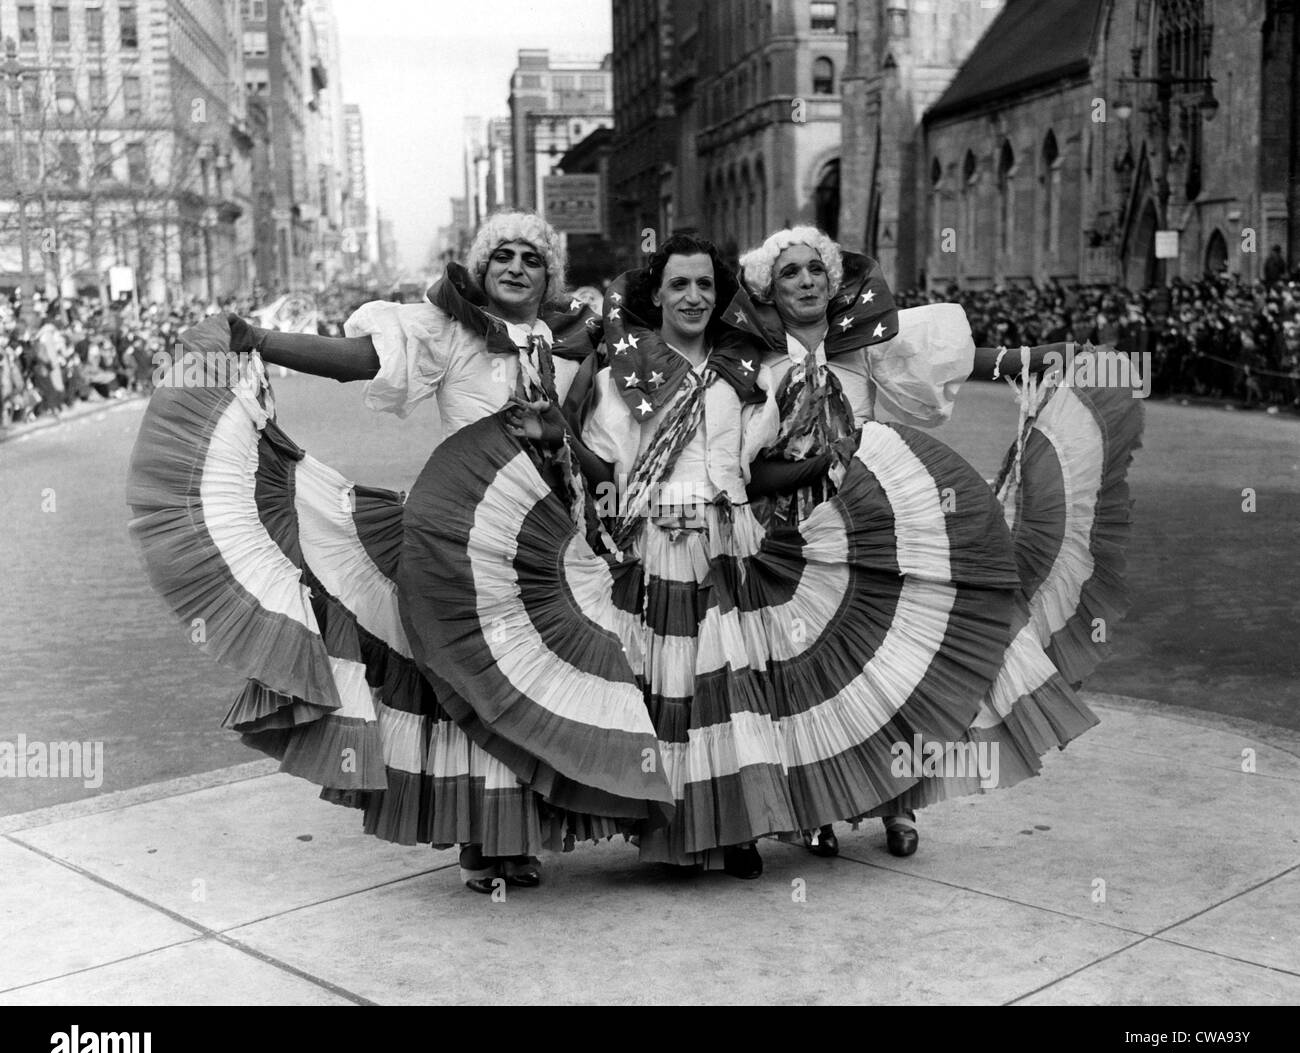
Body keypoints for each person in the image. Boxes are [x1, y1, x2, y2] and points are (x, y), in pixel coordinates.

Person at [422, 233, 1026, 880]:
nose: (693, 295)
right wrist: (559, 437)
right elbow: (606, 469)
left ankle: (734, 827)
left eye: (705, 284)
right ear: (657, 294)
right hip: (658, 547)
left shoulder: (746, 376)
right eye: (679, 284)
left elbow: (754, 471)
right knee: (672, 696)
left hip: (730, 546)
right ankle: (679, 834)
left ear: (722, 294)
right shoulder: (619, 375)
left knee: (734, 698)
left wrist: (829, 462)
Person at [128, 210, 669, 895]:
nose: (514, 268)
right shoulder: (450, 329)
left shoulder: (574, 343)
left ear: (550, 273)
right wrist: (263, 339)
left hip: (547, 538)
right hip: (461, 531)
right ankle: (485, 841)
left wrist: (564, 437)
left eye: (531, 258)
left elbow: (607, 437)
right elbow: (362, 361)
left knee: (535, 675)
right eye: (500, 255)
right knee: (469, 679)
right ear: (480, 266)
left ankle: (524, 832)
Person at [732, 225, 1140, 858]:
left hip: (877, 521)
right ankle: (818, 807)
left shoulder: (865, 343)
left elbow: (958, 360)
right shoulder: (753, 359)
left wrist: (1034, 360)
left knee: (895, 664)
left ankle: (898, 805)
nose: (806, 281)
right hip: (793, 531)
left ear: (832, 280)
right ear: (767, 288)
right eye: (790, 273)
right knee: (812, 673)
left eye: (816, 269)